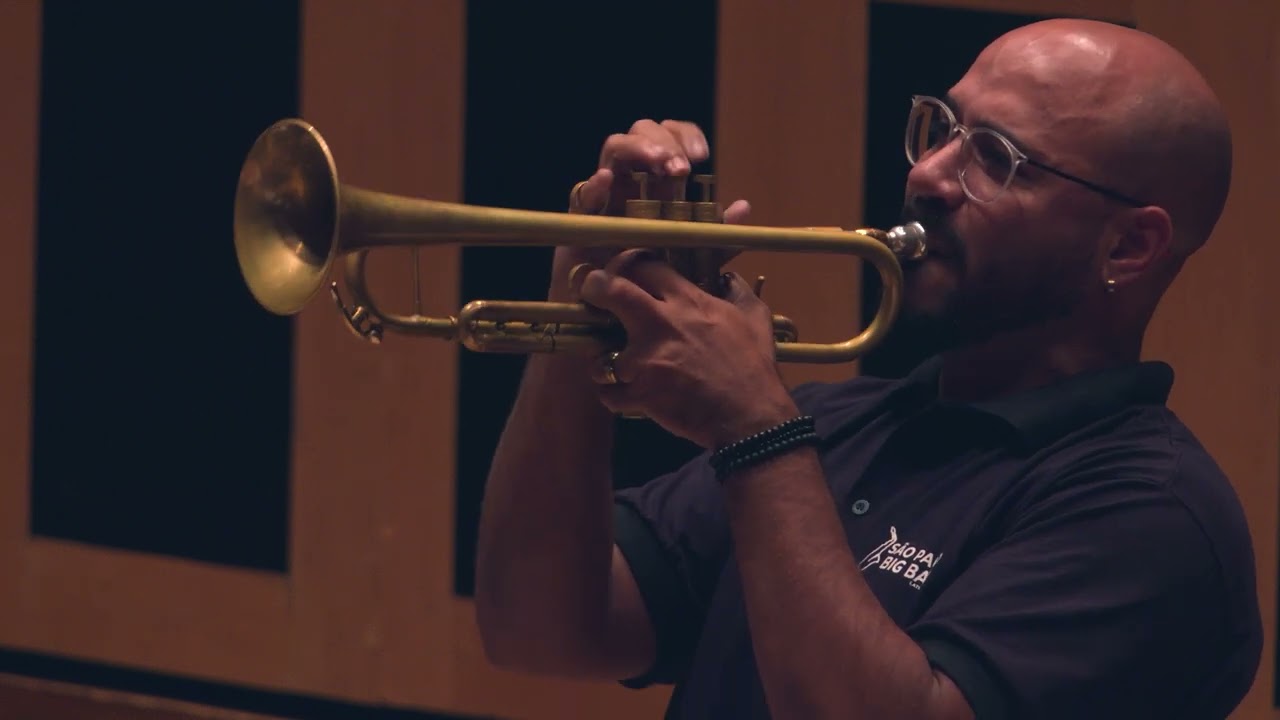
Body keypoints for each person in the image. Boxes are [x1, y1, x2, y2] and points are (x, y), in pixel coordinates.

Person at [472, 17, 1263, 720]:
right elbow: (537, 630)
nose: (928, 175)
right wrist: (586, 294)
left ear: (1129, 247)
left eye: (996, 158)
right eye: (943, 129)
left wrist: (756, 428)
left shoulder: (1152, 516)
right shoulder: (840, 424)